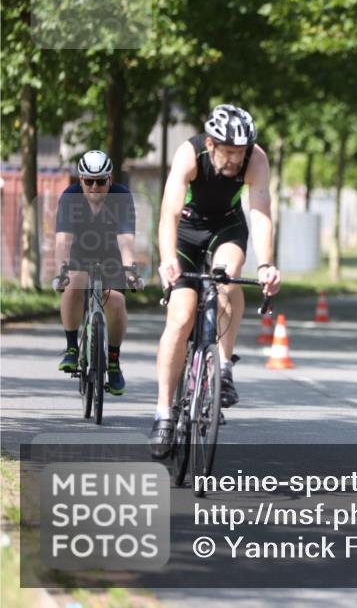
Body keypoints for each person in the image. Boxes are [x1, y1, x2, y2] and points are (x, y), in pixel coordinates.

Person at [150, 104, 281, 458]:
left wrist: (266, 264)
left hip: (226, 228)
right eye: (229, 152)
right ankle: (163, 414)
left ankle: (222, 366)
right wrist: (167, 259)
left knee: (226, 281)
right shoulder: (189, 155)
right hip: (185, 232)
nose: (236, 159)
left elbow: (260, 212)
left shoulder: (256, 159)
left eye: (241, 152)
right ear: (210, 144)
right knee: (181, 318)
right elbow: (169, 214)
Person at [53, 150, 141, 395]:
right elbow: (63, 241)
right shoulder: (70, 197)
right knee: (75, 281)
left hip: (112, 255)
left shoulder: (122, 197)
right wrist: (62, 272)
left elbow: (126, 240)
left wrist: (131, 271)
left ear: (110, 180)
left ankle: (113, 362)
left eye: (100, 181)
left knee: (116, 301)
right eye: (89, 181)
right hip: (80, 252)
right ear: (80, 179)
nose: (94, 186)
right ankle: (72, 348)